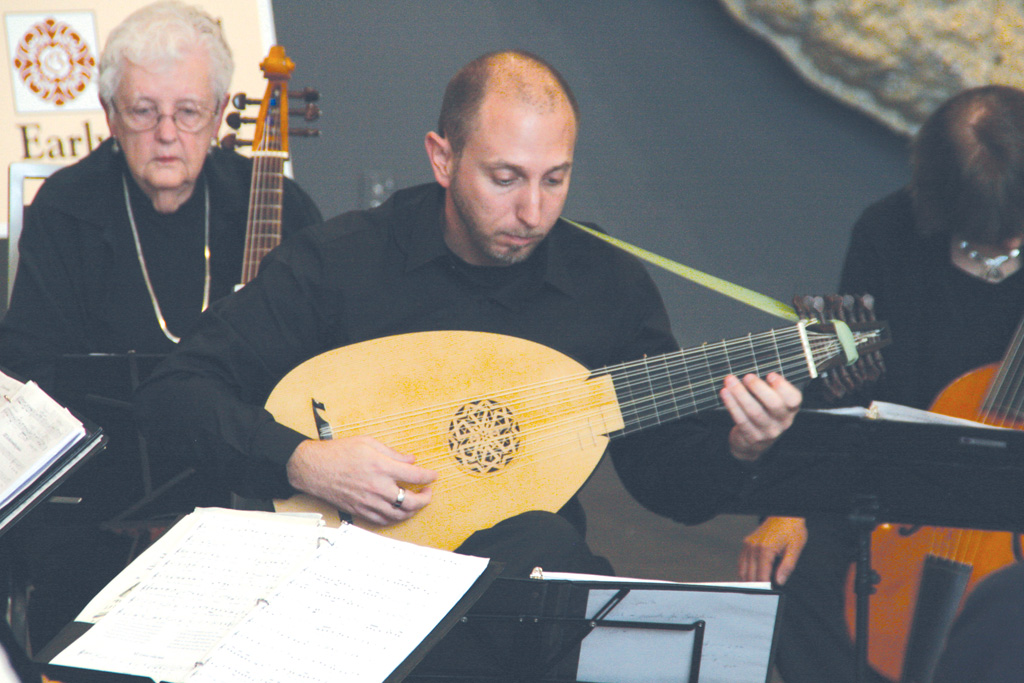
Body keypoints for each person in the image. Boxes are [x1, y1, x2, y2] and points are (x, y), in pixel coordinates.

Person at [135, 49, 802, 578]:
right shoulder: (342, 262)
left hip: (519, 594)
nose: (533, 212)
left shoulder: (606, 284)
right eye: (505, 177)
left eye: (555, 178)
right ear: (443, 158)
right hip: (350, 588)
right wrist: (304, 459)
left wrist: (741, 446)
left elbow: (668, 487)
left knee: (551, 552)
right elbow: (176, 394)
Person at [0, 0, 321, 652]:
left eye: (188, 112)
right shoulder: (68, 206)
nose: (167, 133)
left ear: (219, 112)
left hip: (255, 489)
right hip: (104, 503)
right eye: (144, 111)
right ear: (111, 116)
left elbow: (331, 362)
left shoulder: (276, 202)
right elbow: (31, 368)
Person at [738, 84, 1024, 683]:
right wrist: (788, 509)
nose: (1012, 244)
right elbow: (838, 381)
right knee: (794, 575)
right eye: (992, 230)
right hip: (902, 493)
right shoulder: (886, 232)